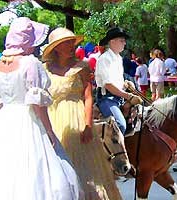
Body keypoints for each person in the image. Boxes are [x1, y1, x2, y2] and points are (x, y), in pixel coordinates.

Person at [0, 17, 82, 200]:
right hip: (28, 118)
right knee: (33, 168)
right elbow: (37, 102)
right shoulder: (30, 63)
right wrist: (49, 131)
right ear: (26, 39)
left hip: (4, 119)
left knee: (1, 167)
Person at [42, 27, 122, 200]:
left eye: (72, 42)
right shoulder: (45, 69)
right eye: (66, 43)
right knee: (57, 166)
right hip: (53, 120)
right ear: (56, 47)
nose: (71, 46)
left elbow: (88, 97)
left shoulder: (82, 66)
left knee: (86, 168)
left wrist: (87, 125)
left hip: (77, 120)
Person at [95, 27, 143, 175]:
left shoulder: (118, 58)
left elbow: (117, 80)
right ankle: (112, 162)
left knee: (140, 119)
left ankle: (129, 158)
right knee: (120, 125)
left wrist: (127, 85)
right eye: (121, 41)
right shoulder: (104, 59)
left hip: (119, 97)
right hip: (107, 98)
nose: (124, 44)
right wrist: (128, 96)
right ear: (112, 42)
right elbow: (108, 85)